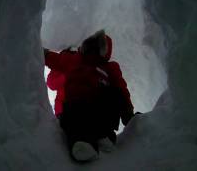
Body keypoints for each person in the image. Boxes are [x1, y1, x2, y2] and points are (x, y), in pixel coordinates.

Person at [44, 30, 134, 161]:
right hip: (76, 107)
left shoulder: (109, 68)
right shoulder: (74, 60)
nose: (93, 51)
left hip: (101, 108)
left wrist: (128, 112)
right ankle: (82, 144)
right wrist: (44, 53)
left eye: (99, 48)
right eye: (91, 46)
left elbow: (121, 88)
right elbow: (56, 60)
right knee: (74, 120)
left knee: (116, 93)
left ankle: (104, 135)